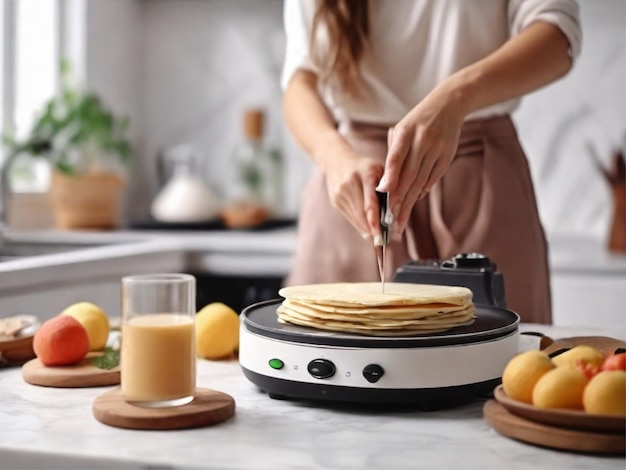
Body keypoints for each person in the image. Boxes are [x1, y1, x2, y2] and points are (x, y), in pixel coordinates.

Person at [280, 0, 582, 324]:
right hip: (354, 190)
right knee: (330, 359)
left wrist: (457, 96)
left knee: (507, 363)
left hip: (481, 180)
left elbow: (557, 35)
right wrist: (333, 155)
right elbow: (299, 79)